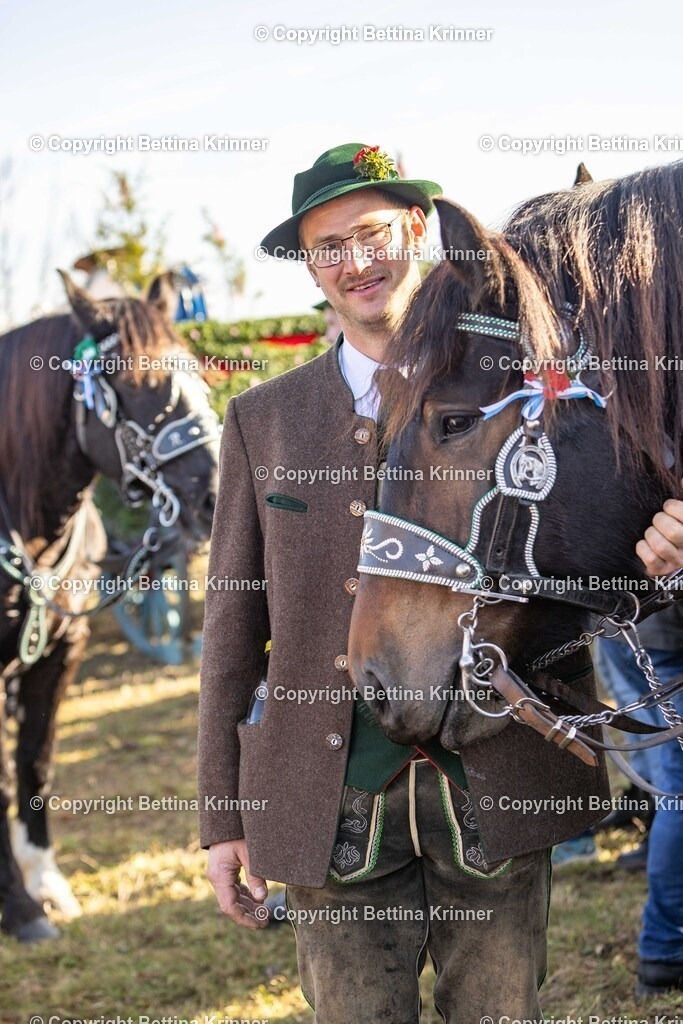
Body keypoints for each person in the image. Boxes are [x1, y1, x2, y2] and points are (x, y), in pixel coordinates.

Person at [197, 143, 683, 1022]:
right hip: (328, 803)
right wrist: (222, 817)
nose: (355, 263)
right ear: (308, 265)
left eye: (372, 233)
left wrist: (659, 563)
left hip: (497, 788)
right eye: (327, 247)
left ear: (420, 231)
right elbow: (233, 631)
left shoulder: (541, 375)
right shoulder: (262, 419)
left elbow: (601, 534)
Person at [594, 606, 683, 997]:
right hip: (660, 631)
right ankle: (665, 950)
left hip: (627, 625)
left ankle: (665, 952)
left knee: (671, 775)